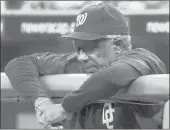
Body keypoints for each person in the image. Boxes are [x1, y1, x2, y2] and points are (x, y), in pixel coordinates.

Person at [5, 3, 166, 129]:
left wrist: (63, 109)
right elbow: (19, 64)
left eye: (89, 47)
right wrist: (43, 103)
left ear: (117, 45)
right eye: (78, 47)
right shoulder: (75, 63)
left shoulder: (141, 58)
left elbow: (114, 75)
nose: (81, 56)